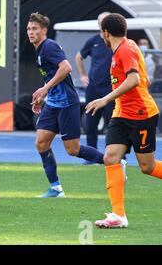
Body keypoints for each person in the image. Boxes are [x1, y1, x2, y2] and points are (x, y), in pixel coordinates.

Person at [27, 12, 123, 198]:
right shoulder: (39, 49)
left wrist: (45, 89)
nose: (31, 32)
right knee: (41, 143)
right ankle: (56, 188)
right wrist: (43, 96)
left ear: (44, 31)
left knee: (73, 150)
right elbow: (52, 76)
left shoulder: (49, 46)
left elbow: (66, 68)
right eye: (29, 29)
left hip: (66, 103)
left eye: (35, 29)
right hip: (53, 103)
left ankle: (115, 162)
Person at [86, 13, 162, 228]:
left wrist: (105, 99)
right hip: (122, 114)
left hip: (141, 114)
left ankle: (118, 214)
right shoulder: (125, 47)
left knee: (146, 167)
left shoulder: (126, 49)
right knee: (110, 158)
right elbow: (144, 79)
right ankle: (118, 216)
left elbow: (135, 79)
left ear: (106, 33)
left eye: (101, 31)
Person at [75, 12, 114, 164]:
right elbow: (79, 56)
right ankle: (92, 156)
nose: (103, 24)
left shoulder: (116, 41)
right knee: (91, 122)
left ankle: (115, 155)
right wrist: (83, 75)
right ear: (98, 24)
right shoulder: (93, 41)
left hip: (111, 89)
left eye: (106, 21)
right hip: (93, 88)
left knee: (113, 123)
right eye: (101, 21)